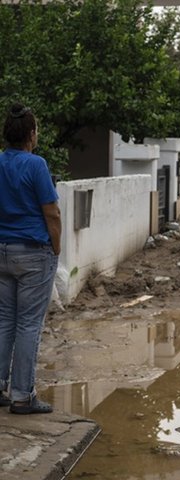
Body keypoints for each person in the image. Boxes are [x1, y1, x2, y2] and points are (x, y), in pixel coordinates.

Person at [0, 103, 61, 414]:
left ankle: (1, 388)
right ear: (31, 135)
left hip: (2, 251)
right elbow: (51, 212)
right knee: (27, 325)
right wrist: (57, 248)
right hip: (33, 253)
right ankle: (23, 396)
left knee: (4, 321)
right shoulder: (36, 165)